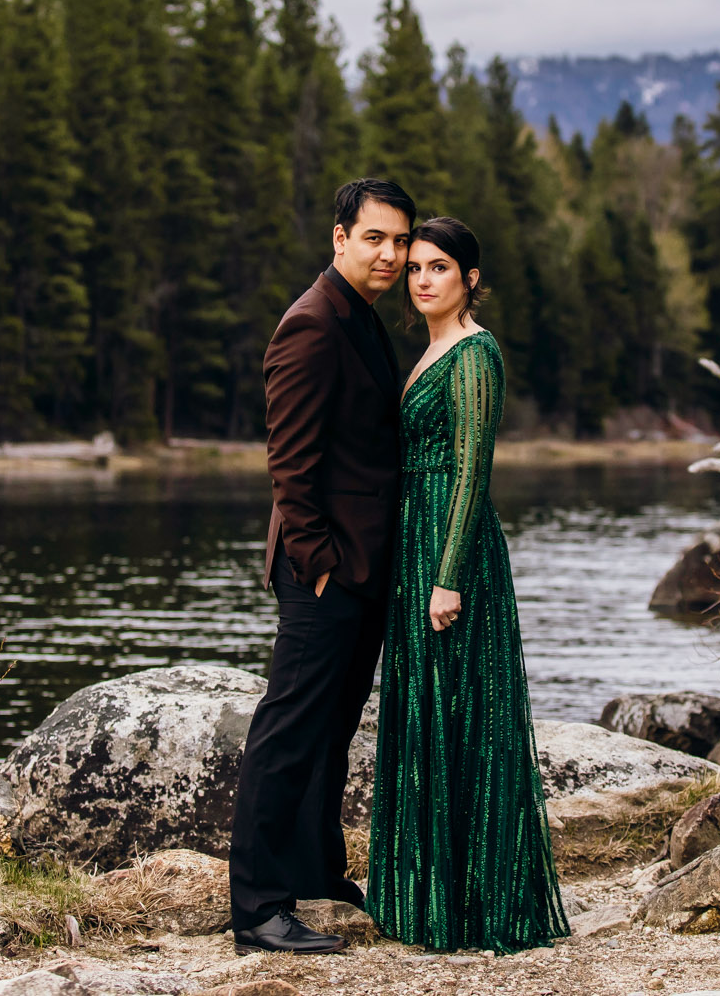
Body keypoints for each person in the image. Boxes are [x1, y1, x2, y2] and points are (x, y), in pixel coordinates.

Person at [367, 216, 569, 953]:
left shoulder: (476, 353)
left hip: (453, 553)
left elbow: (473, 469)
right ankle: (423, 900)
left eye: (438, 267)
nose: (421, 278)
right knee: (422, 713)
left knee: (461, 714)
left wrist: (447, 578)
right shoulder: (428, 351)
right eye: (415, 266)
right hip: (413, 546)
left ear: (470, 279)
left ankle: (482, 906)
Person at [229, 178, 416, 956]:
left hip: (361, 566)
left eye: (401, 241)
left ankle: (316, 871)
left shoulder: (361, 318)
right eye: (375, 237)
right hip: (325, 569)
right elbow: (291, 466)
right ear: (340, 238)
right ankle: (259, 907)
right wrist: (319, 565)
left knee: (332, 730)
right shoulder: (311, 324)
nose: (391, 254)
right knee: (288, 731)